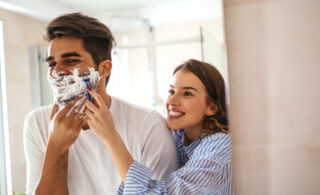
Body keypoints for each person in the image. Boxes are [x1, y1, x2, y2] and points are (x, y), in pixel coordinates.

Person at [23, 13, 178, 195]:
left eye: (71, 61)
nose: (56, 72)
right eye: (51, 64)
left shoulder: (149, 125)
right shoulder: (37, 123)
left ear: (104, 68)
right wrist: (56, 147)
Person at [85, 59, 233, 194]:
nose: (172, 101)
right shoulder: (178, 136)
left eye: (187, 93)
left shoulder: (220, 146)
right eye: (171, 91)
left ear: (212, 107)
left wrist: (111, 138)